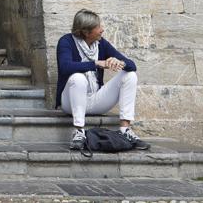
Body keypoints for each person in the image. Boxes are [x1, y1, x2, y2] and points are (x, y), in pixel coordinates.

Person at [56, 8, 149, 151]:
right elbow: (65, 67)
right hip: (71, 102)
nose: (102, 30)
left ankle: (125, 130)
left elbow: (132, 65)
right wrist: (95, 63)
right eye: (98, 27)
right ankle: (79, 132)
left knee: (129, 75)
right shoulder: (66, 41)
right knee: (78, 77)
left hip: (96, 100)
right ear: (86, 32)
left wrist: (119, 62)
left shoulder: (101, 44)